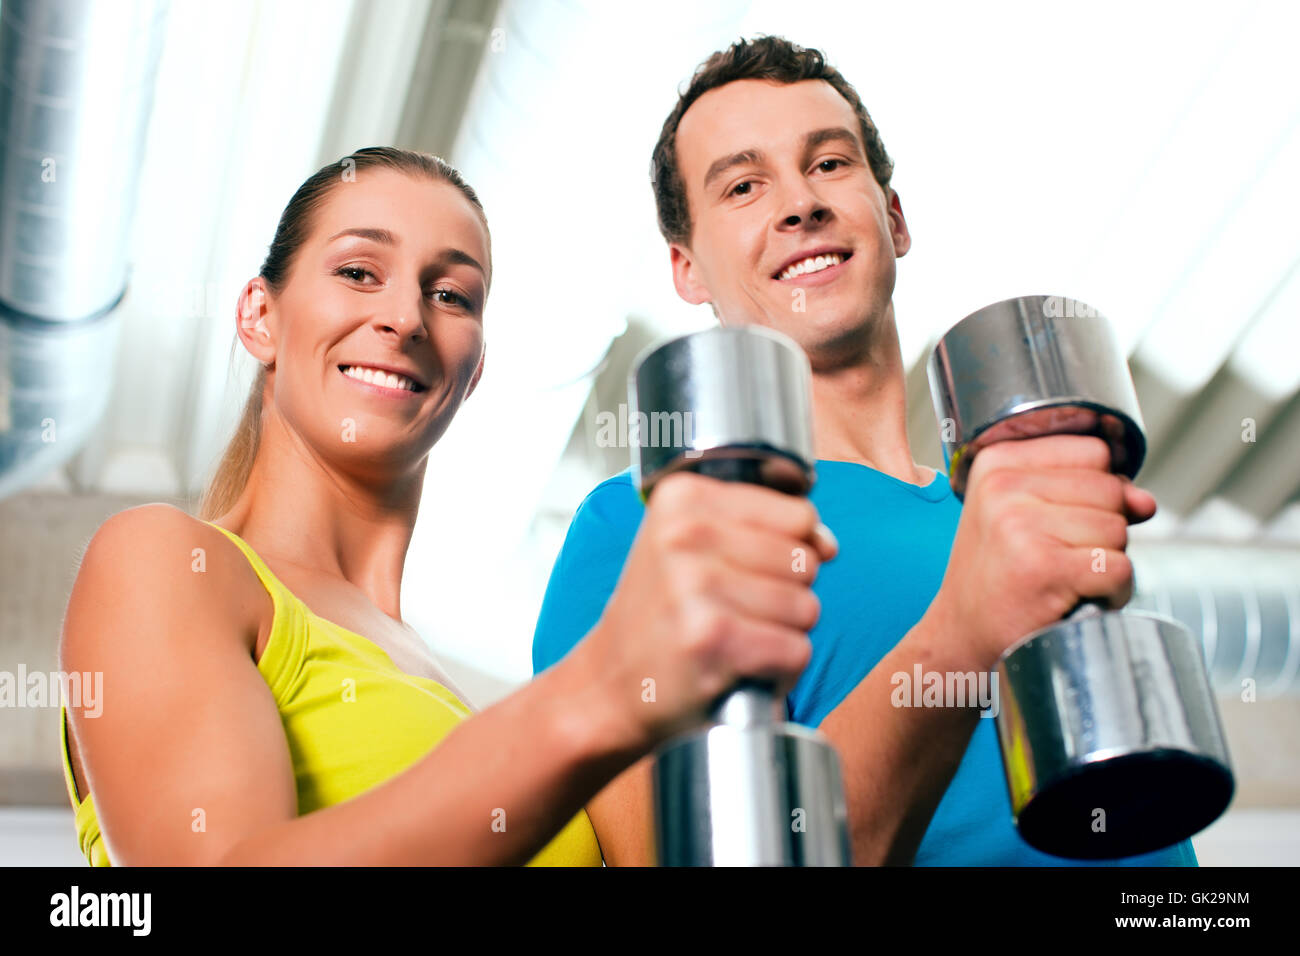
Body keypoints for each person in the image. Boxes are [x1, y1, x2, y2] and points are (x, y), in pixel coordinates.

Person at [56, 146, 836, 866]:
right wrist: (597, 696)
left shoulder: (463, 704)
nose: (405, 318)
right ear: (260, 315)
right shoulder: (166, 562)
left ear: (477, 369)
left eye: (450, 293)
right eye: (360, 272)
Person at [532, 36, 1198, 866]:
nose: (799, 204)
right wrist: (961, 629)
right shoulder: (639, 525)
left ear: (894, 217)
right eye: (744, 185)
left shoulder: (1006, 517)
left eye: (831, 164)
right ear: (686, 269)